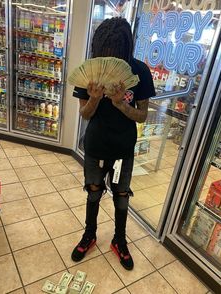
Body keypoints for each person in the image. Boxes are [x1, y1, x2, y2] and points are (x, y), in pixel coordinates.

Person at [71, 17, 155, 270]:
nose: (109, 59)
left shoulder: (140, 71)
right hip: (96, 144)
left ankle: (119, 240)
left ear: (126, 49)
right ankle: (90, 234)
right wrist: (95, 99)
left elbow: (143, 116)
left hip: (123, 146)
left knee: (121, 197)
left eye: (115, 54)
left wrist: (120, 103)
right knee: (94, 191)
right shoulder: (89, 71)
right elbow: (84, 114)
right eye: (104, 53)